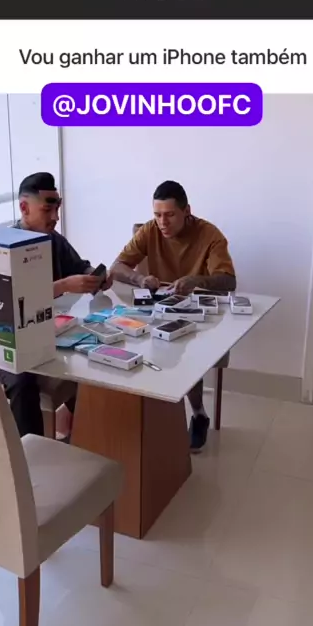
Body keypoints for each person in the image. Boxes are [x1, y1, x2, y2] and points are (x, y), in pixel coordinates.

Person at [111, 180, 236, 451]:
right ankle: (143, 414)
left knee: (187, 351)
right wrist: (140, 279)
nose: (162, 222)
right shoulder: (149, 230)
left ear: (187, 211)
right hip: (157, 308)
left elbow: (228, 281)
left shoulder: (210, 235)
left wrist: (196, 280)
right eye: (157, 215)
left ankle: (199, 414)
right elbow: (117, 266)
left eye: (169, 215)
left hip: (198, 313)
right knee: (121, 336)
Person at [0, 172, 112, 439]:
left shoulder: (53, 239)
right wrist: (63, 285)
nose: (55, 217)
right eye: (48, 210)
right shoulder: (2, 247)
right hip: (4, 338)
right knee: (23, 381)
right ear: (24, 207)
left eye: (57, 209)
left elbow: (79, 266)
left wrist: (95, 277)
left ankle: (93, 435)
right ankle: (30, 454)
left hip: (47, 330)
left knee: (92, 353)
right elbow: (7, 300)